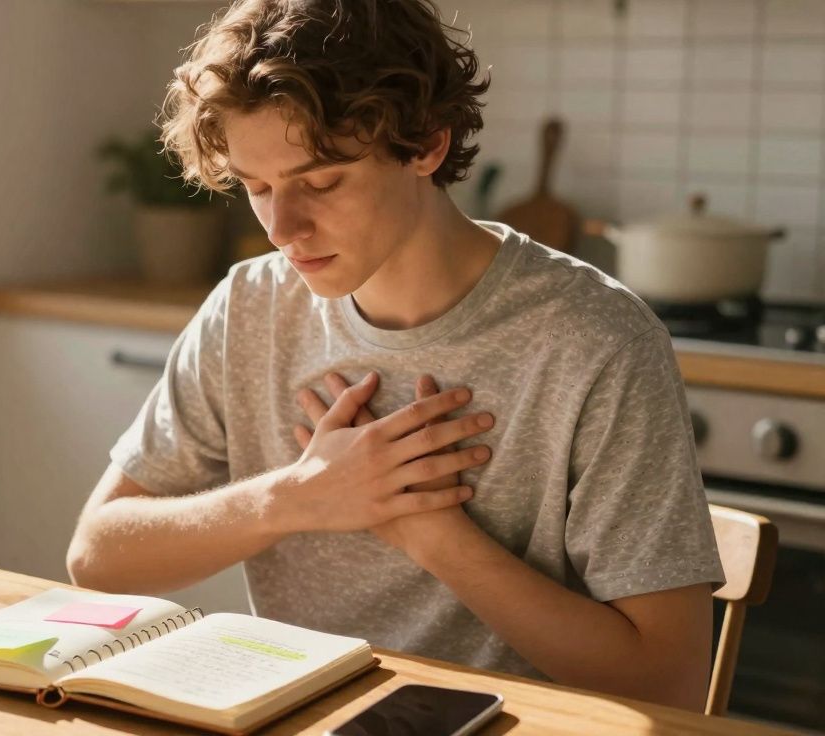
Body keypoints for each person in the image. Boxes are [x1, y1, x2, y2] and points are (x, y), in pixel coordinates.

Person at [66, 0, 725, 711]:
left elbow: (670, 682)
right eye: (257, 188)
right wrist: (295, 498)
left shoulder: (595, 339)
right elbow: (97, 556)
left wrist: (429, 533)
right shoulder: (250, 307)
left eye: (319, 182)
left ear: (426, 146)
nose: (283, 228)